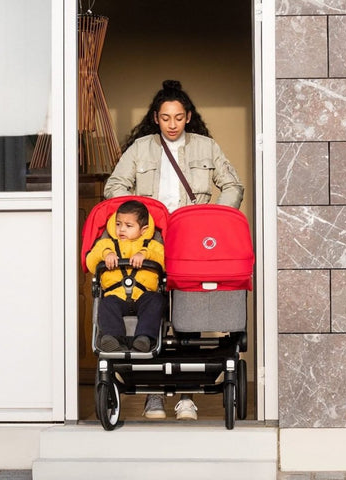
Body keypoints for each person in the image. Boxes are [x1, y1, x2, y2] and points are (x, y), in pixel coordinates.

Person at [104, 79, 244, 420]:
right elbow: (114, 187)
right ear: (155, 117)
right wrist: (140, 217)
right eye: (166, 117)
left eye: (178, 117)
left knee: (188, 315)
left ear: (188, 117)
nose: (172, 124)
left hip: (191, 238)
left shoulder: (206, 146)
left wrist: (213, 220)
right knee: (152, 311)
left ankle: (185, 396)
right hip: (150, 240)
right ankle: (154, 395)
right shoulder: (140, 148)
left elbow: (233, 186)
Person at [85, 200, 166, 353]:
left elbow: (164, 261)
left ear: (143, 230)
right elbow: (90, 262)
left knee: (156, 300)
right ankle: (112, 338)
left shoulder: (152, 246)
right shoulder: (106, 244)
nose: (121, 229)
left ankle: (145, 338)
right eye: (118, 224)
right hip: (116, 297)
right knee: (106, 304)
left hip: (143, 296)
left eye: (128, 226)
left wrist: (145, 254)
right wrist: (106, 254)